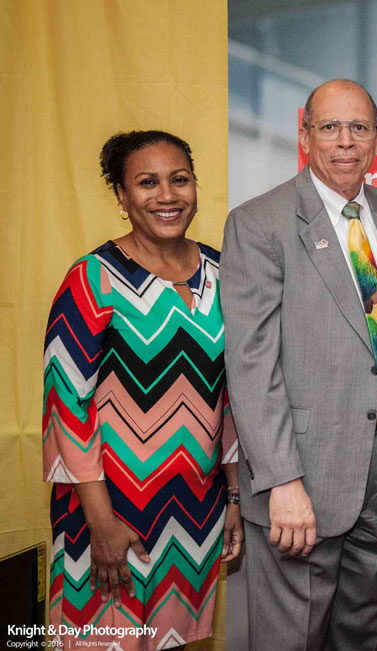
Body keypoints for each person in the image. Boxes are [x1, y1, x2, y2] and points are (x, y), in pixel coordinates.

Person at [220, 79, 377, 651]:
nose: (345, 141)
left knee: (361, 633)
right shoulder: (259, 223)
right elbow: (251, 362)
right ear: (304, 134)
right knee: (292, 639)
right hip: (301, 473)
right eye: (330, 127)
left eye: (359, 128)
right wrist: (281, 479)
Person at [42, 131, 241, 650]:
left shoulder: (226, 272)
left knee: (172, 641)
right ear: (122, 195)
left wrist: (234, 497)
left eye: (180, 179)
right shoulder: (92, 279)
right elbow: (66, 406)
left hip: (195, 509)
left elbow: (234, 395)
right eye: (147, 182)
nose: (167, 195)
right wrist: (100, 522)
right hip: (110, 509)